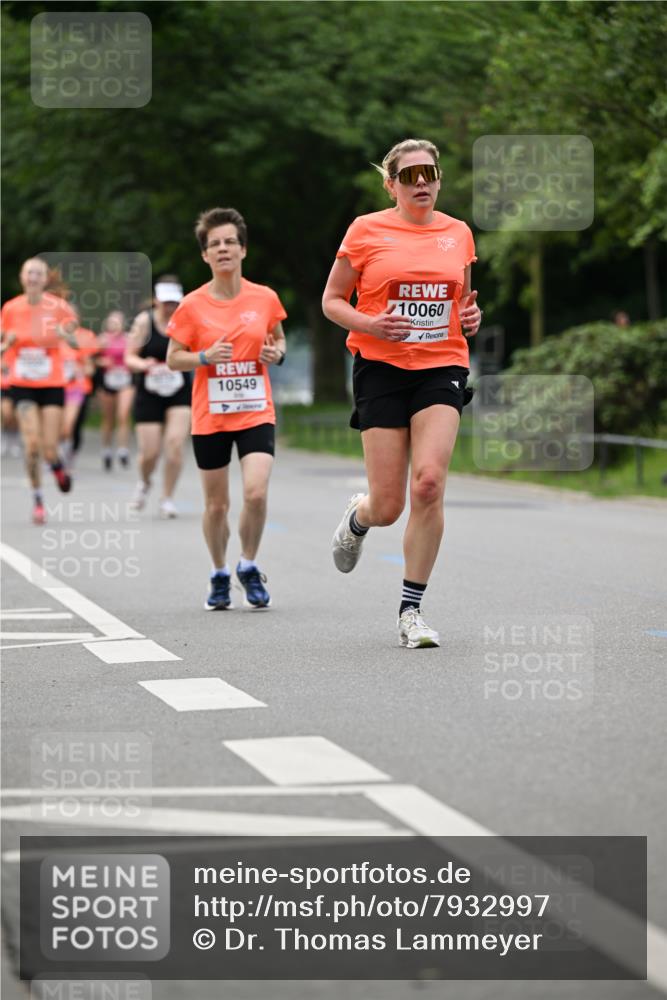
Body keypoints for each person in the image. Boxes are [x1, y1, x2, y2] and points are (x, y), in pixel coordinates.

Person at [322, 139, 482, 648]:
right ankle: (359, 516)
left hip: (442, 365)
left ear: (439, 179)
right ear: (390, 184)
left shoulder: (457, 233)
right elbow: (330, 301)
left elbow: (462, 305)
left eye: (429, 173)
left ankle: (411, 612)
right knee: (388, 505)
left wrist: (470, 318)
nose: (421, 183)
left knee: (429, 484)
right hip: (381, 367)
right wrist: (370, 322)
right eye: (409, 175)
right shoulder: (366, 230)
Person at [166, 208, 287, 610]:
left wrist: (276, 353)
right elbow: (173, 358)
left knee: (255, 492)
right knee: (216, 505)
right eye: (214, 244)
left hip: (255, 409)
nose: (223, 249)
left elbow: (279, 341)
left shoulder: (265, 298)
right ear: (205, 255)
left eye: (229, 242)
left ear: (242, 249)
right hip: (211, 415)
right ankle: (219, 572)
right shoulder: (191, 305)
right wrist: (204, 357)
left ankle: (248, 565)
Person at [0, 257, 78, 523]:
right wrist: (6, 343)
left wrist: (65, 334)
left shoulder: (59, 307)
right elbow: (2, 342)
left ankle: (57, 466)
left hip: (52, 384)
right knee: (31, 445)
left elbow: (76, 340)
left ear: (45, 279)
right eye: (29, 273)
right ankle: (38, 499)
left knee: (49, 448)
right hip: (22, 385)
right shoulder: (10, 308)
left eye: (38, 273)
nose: (33, 277)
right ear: (22, 277)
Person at [124, 276, 192, 518]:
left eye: (174, 302)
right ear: (156, 301)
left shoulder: (187, 321)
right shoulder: (144, 323)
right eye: (165, 302)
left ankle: (167, 498)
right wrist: (143, 364)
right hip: (149, 390)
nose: (170, 307)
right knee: (149, 453)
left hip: (179, 389)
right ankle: (144, 482)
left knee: (174, 445)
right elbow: (129, 357)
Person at [60, 305, 99, 469]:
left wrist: (80, 368)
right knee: (56, 425)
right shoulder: (53, 337)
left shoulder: (86, 336)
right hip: (55, 386)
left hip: (77, 386)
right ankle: (55, 454)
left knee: (70, 425)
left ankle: (68, 455)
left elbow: (91, 368)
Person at [96, 310, 134, 471]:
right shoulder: (102, 340)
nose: (115, 325)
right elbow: (90, 359)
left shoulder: (129, 340)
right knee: (108, 418)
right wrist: (101, 361)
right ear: (108, 324)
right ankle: (106, 449)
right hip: (107, 381)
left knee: (123, 415)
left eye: (118, 322)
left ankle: (123, 450)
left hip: (125, 380)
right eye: (112, 322)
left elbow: (135, 357)